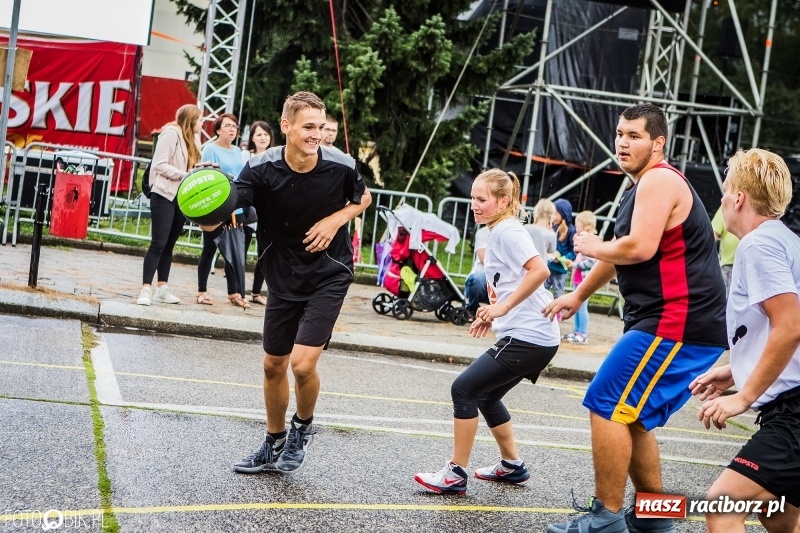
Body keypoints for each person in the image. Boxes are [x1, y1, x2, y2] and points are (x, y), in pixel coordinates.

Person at [543, 103, 728, 533]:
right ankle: (656, 519)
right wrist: (578, 294)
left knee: (605, 402)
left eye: (634, 136)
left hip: (677, 321)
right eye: (620, 134)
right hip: (673, 322)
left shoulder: (660, 180)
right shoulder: (640, 187)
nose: (622, 143)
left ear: (657, 143)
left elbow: (638, 248)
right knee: (634, 416)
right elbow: (619, 253)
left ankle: (606, 517)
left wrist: (590, 246)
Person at [229, 92, 371, 474]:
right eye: (309, 127)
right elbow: (234, 204)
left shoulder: (340, 165)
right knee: (272, 365)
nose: (317, 135)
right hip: (282, 273)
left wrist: (334, 220)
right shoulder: (260, 168)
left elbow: (363, 198)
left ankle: (302, 428)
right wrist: (214, 217)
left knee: (302, 364)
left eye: (321, 127)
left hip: (329, 273)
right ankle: (273, 441)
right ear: (286, 126)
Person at [414, 168, 560, 495]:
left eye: (482, 199)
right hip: (533, 335)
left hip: (530, 336)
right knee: (488, 396)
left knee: (464, 389)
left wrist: (502, 309)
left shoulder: (508, 231)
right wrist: (494, 317)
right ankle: (512, 465)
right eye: (472, 198)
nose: (474, 205)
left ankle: (455, 473)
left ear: (503, 201)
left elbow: (539, 271)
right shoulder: (497, 230)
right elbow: (507, 282)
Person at [689, 148, 800, 533]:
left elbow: (790, 326)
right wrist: (738, 370)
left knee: (722, 506)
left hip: (793, 412)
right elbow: (779, 331)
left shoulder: (758, 244)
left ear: (738, 199)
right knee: (777, 515)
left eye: (724, 192)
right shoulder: (785, 241)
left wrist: (744, 396)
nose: (721, 201)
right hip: (790, 405)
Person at [136, 104, 202, 306]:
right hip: (164, 193)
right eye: (200, 120)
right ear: (191, 120)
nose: (202, 124)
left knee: (170, 244)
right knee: (158, 243)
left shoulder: (193, 139)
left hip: (181, 196)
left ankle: (162, 287)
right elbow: (159, 164)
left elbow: (193, 165)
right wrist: (183, 175)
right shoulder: (171, 133)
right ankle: (145, 289)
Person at [196, 113, 251, 308]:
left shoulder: (238, 151)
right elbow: (206, 174)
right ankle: (201, 291)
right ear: (218, 129)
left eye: (234, 126)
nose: (232, 129)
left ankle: (233, 293)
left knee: (233, 249)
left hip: (235, 205)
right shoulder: (210, 149)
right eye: (227, 126)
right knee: (209, 248)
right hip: (216, 205)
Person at [242, 120, 275, 306]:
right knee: (242, 252)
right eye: (259, 134)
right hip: (247, 210)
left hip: (267, 212)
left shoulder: (276, 156)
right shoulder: (245, 156)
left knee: (264, 254)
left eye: (266, 134)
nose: (263, 138)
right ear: (252, 138)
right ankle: (239, 292)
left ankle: (256, 292)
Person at [561, 211, 597, 345]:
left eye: (577, 225)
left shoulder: (590, 242)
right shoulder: (583, 241)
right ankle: (577, 332)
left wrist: (574, 265)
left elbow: (591, 262)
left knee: (581, 307)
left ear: (583, 226)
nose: (575, 228)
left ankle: (583, 333)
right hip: (578, 280)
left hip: (585, 281)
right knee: (576, 306)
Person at [545, 198, 575, 299]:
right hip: (548, 267)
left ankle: (558, 310)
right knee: (542, 291)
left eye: (556, 213)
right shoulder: (552, 227)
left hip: (560, 270)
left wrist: (563, 258)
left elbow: (573, 250)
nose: (553, 216)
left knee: (558, 294)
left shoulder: (571, 231)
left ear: (564, 214)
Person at [711, 205, 740, 296]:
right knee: (727, 296)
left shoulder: (752, 207)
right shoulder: (726, 207)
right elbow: (712, 236)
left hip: (747, 263)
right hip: (728, 265)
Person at [463, 225, 490, 319]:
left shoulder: (514, 232)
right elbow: (484, 259)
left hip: (503, 278)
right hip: (484, 276)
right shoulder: (483, 232)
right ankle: (472, 308)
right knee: (477, 279)